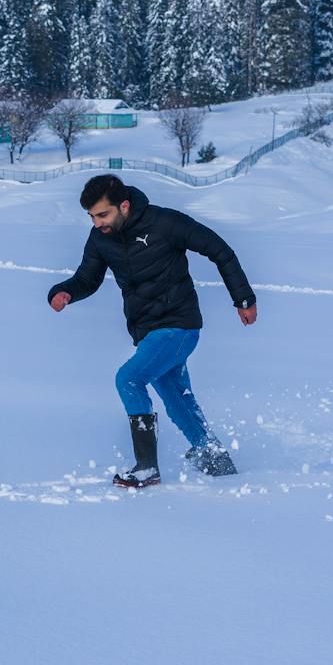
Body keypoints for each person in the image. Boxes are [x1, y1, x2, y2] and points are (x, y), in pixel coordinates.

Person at [48, 174, 257, 489]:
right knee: (174, 394)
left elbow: (219, 250)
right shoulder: (101, 238)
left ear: (125, 206)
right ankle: (215, 459)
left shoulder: (164, 223)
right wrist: (65, 291)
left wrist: (243, 298)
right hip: (148, 331)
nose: (96, 222)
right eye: (91, 216)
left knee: (129, 378)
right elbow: (87, 278)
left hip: (179, 325)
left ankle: (147, 468)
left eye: (102, 214)